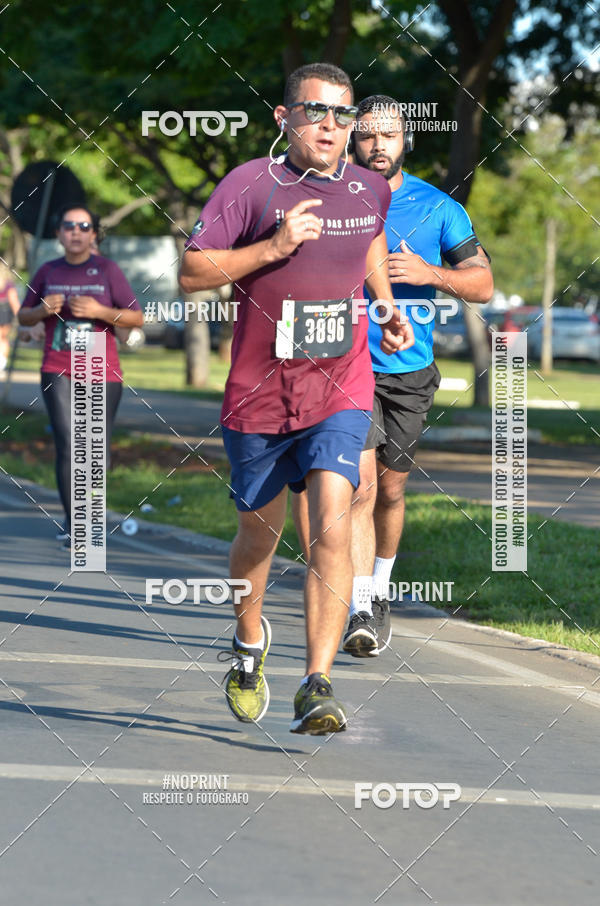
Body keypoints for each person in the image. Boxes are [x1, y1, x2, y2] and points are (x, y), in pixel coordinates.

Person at [179, 63, 414, 735]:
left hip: (340, 383)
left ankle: (318, 682)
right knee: (259, 531)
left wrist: (386, 304)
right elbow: (192, 271)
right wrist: (274, 246)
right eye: (317, 112)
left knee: (334, 522)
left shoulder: (370, 188)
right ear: (285, 118)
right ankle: (250, 642)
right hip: (258, 391)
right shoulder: (250, 184)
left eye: (344, 116)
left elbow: (368, 235)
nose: (332, 127)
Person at [340, 95, 494, 655]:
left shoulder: (439, 207)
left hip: (408, 369)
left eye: (388, 135)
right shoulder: (333, 199)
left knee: (391, 486)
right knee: (358, 484)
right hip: (344, 362)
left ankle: (380, 587)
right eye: (366, 136)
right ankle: (359, 605)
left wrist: (433, 273)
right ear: (352, 142)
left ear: (407, 140)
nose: (377, 145)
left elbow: (483, 283)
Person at [18, 204, 144, 544]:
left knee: (94, 448)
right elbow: (23, 317)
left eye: (83, 226)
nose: (75, 231)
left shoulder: (107, 270)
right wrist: (41, 310)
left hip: (102, 367)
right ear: (59, 234)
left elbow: (136, 318)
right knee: (69, 442)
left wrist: (100, 311)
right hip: (58, 367)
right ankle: (75, 523)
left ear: (93, 234)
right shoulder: (47, 270)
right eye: (68, 225)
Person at [0, 263, 20, 374]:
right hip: (5, 312)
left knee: (2, 338)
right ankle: (2, 363)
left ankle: (1, 363)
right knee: (3, 338)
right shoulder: (8, 284)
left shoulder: (8, 284)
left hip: (4, 311)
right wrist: (19, 315)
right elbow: (13, 301)